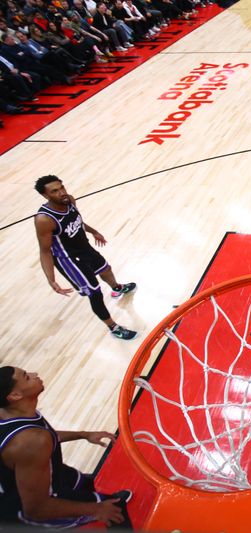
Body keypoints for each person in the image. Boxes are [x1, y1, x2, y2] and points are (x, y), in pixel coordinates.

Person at [0, 366, 133, 528]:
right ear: (15, 395)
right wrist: (96, 509)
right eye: (26, 377)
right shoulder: (32, 442)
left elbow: (46, 437)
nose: (34, 374)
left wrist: (84, 434)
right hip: (31, 505)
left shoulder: (10, 413)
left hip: (48, 475)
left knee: (86, 484)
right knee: (114, 509)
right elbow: (36, 509)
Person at [34, 175, 137, 340]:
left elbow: (78, 222)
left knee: (106, 269)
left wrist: (93, 231)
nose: (61, 193)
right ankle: (113, 327)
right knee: (95, 294)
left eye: (62, 187)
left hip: (85, 249)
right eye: (55, 191)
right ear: (45, 196)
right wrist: (51, 279)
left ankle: (117, 288)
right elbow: (45, 251)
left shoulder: (70, 201)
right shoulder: (44, 219)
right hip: (70, 261)